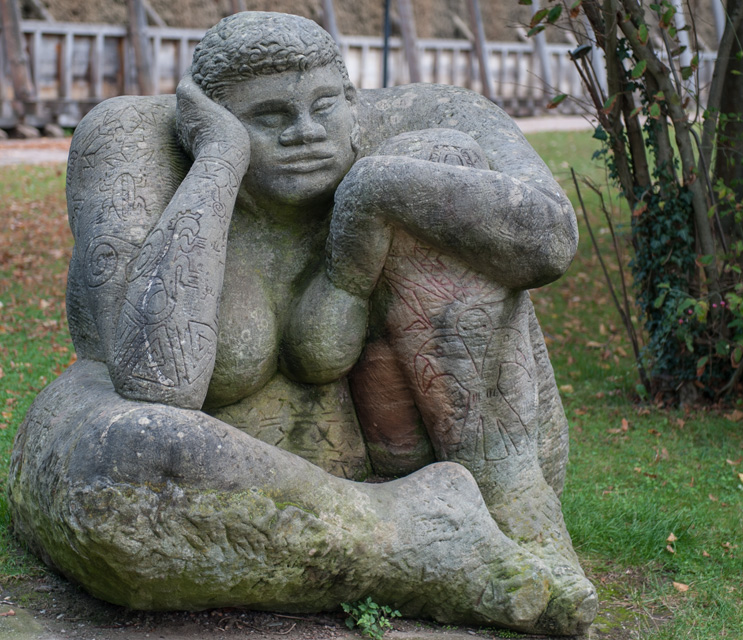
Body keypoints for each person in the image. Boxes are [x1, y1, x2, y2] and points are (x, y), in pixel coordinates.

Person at [9, 12, 594, 635]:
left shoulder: (433, 113)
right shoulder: (130, 143)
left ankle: (513, 519)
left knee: (437, 160)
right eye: (268, 117)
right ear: (206, 117)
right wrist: (218, 162)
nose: (304, 133)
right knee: (122, 461)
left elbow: (551, 243)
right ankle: (420, 543)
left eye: (324, 106)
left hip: (465, 452)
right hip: (208, 470)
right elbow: (156, 381)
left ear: (351, 99)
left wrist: (376, 191)